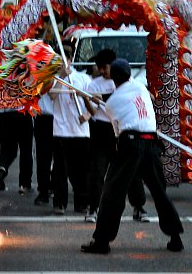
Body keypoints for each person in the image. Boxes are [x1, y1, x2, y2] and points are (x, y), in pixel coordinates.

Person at [81, 58, 184, 254]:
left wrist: (98, 100)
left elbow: (116, 128)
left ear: (113, 77)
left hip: (130, 142)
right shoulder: (141, 88)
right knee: (159, 192)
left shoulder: (111, 104)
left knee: (113, 192)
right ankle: (175, 236)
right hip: (152, 142)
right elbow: (125, 98)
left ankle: (102, 241)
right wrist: (101, 98)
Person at [85, 49, 149, 223]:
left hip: (122, 131)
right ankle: (93, 208)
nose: (104, 71)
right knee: (97, 170)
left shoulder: (128, 83)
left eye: (106, 67)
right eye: (100, 68)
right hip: (102, 130)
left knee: (131, 170)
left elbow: (127, 100)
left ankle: (139, 207)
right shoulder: (93, 84)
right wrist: (87, 99)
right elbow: (92, 112)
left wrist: (104, 97)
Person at [49, 49, 92, 215]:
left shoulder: (83, 78)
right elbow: (52, 96)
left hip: (80, 132)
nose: (61, 64)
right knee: (60, 169)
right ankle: (60, 203)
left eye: (63, 60)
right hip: (60, 131)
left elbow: (94, 101)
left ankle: (82, 202)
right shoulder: (53, 79)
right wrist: (61, 77)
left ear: (70, 59)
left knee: (81, 170)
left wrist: (87, 115)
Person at [0, 107, 34, 194]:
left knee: (6, 149)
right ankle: (24, 184)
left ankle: (2, 169)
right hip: (22, 112)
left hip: (3, 114)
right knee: (26, 150)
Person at [33, 92, 54, 205]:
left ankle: (57, 189)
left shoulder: (69, 76)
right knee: (43, 159)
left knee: (62, 159)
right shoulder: (42, 74)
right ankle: (43, 192)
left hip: (62, 118)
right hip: (44, 118)